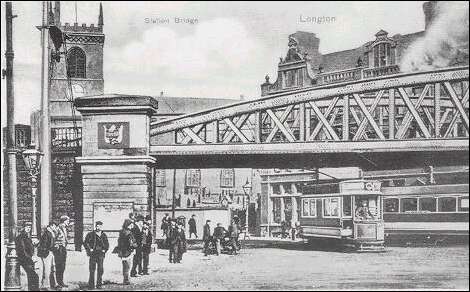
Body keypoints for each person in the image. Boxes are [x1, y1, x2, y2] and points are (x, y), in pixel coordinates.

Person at [84, 221, 109, 289]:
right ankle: (91, 284)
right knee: (92, 269)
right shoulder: (91, 234)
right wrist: (90, 249)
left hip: (101, 254)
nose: (99, 227)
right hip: (93, 254)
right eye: (97, 226)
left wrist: (105, 250)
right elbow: (86, 243)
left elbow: (107, 244)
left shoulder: (104, 235)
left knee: (100, 269)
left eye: (100, 226)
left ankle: (99, 284)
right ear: (95, 226)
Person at [15, 221, 40, 291]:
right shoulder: (21, 237)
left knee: (32, 276)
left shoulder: (27, 236)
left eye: (29, 227)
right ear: (23, 228)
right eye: (27, 227)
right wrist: (31, 258)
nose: (28, 229)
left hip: (29, 259)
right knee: (34, 276)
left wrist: (35, 244)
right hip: (25, 260)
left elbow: (29, 247)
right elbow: (22, 251)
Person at [37, 222, 57, 290]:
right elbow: (46, 245)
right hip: (46, 253)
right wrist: (53, 247)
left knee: (51, 269)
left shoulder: (49, 233)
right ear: (51, 226)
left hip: (49, 252)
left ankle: (51, 284)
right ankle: (46, 285)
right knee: (47, 270)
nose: (55, 227)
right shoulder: (47, 233)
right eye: (54, 226)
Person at [117, 219, 137, 285]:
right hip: (127, 251)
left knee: (125, 266)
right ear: (128, 225)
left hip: (123, 250)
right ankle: (126, 280)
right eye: (131, 225)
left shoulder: (123, 231)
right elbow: (130, 242)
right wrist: (134, 245)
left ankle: (126, 279)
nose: (132, 226)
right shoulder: (128, 232)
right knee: (127, 266)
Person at [54, 215, 70, 288]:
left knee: (62, 266)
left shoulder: (64, 228)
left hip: (63, 249)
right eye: (67, 221)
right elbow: (53, 238)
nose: (68, 222)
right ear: (64, 221)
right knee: (59, 266)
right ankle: (58, 282)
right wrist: (57, 245)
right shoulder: (58, 228)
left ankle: (61, 282)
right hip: (59, 249)